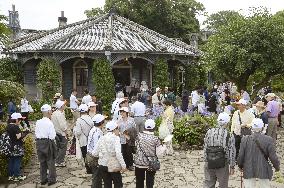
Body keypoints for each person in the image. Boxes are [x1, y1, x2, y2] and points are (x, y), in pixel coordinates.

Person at [238, 118, 281, 188]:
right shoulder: (268, 139)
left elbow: (241, 155)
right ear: (262, 128)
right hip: (263, 168)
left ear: (251, 127)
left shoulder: (244, 139)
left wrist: (240, 166)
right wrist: (277, 167)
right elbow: (273, 157)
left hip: (248, 167)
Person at [203, 112, 236, 188]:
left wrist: (206, 161)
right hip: (222, 164)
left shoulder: (209, 131)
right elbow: (232, 152)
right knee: (223, 185)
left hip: (209, 162)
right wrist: (232, 166)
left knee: (208, 184)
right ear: (227, 123)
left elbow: (205, 147)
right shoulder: (229, 135)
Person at [94, 121, 127, 188]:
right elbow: (118, 153)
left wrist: (102, 155)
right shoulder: (116, 138)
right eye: (118, 129)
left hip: (103, 165)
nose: (118, 131)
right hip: (113, 165)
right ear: (114, 129)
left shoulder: (102, 138)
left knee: (107, 184)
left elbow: (94, 153)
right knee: (118, 184)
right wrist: (124, 166)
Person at [134, 119, 162, 188]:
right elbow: (159, 154)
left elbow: (136, 146)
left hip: (139, 163)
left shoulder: (138, 136)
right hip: (151, 164)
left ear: (144, 127)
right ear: (154, 128)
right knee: (150, 182)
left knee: (139, 182)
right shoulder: (156, 139)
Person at [35, 104, 57, 186]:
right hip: (47, 142)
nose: (51, 112)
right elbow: (52, 136)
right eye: (51, 110)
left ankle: (43, 179)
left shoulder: (38, 122)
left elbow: (36, 133)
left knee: (42, 162)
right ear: (48, 112)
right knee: (50, 161)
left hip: (39, 142)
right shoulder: (49, 122)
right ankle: (51, 179)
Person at [7, 113, 29, 181]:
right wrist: (26, 133)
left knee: (11, 161)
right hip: (16, 147)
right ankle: (17, 176)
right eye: (20, 120)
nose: (20, 121)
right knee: (17, 161)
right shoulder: (15, 127)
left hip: (10, 146)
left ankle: (11, 176)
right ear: (16, 120)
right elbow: (18, 137)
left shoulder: (8, 126)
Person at [74, 104, 94, 174]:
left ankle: (88, 170)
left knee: (85, 155)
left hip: (83, 140)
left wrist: (74, 131)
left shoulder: (79, 120)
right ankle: (93, 168)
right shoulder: (90, 118)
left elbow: (78, 132)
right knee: (91, 154)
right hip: (90, 140)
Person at [87, 114, 105, 188]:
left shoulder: (93, 129)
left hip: (90, 154)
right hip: (95, 157)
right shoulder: (98, 133)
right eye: (104, 121)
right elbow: (97, 147)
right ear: (101, 123)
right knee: (97, 176)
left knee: (96, 175)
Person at [51, 100, 68, 167]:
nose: (65, 106)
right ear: (61, 106)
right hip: (61, 133)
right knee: (63, 148)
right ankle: (59, 161)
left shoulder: (54, 113)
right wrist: (67, 133)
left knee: (58, 147)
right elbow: (63, 126)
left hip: (56, 132)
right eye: (64, 105)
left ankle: (57, 160)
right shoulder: (60, 114)